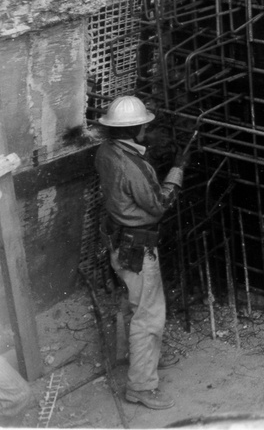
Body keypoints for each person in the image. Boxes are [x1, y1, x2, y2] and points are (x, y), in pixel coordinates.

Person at [95, 96, 188, 410]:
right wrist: (177, 169)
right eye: (145, 125)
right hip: (137, 246)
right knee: (148, 315)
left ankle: (144, 359)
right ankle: (141, 387)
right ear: (136, 129)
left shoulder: (106, 151)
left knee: (136, 305)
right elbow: (159, 205)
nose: (148, 129)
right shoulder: (133, 164)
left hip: (117, 240)